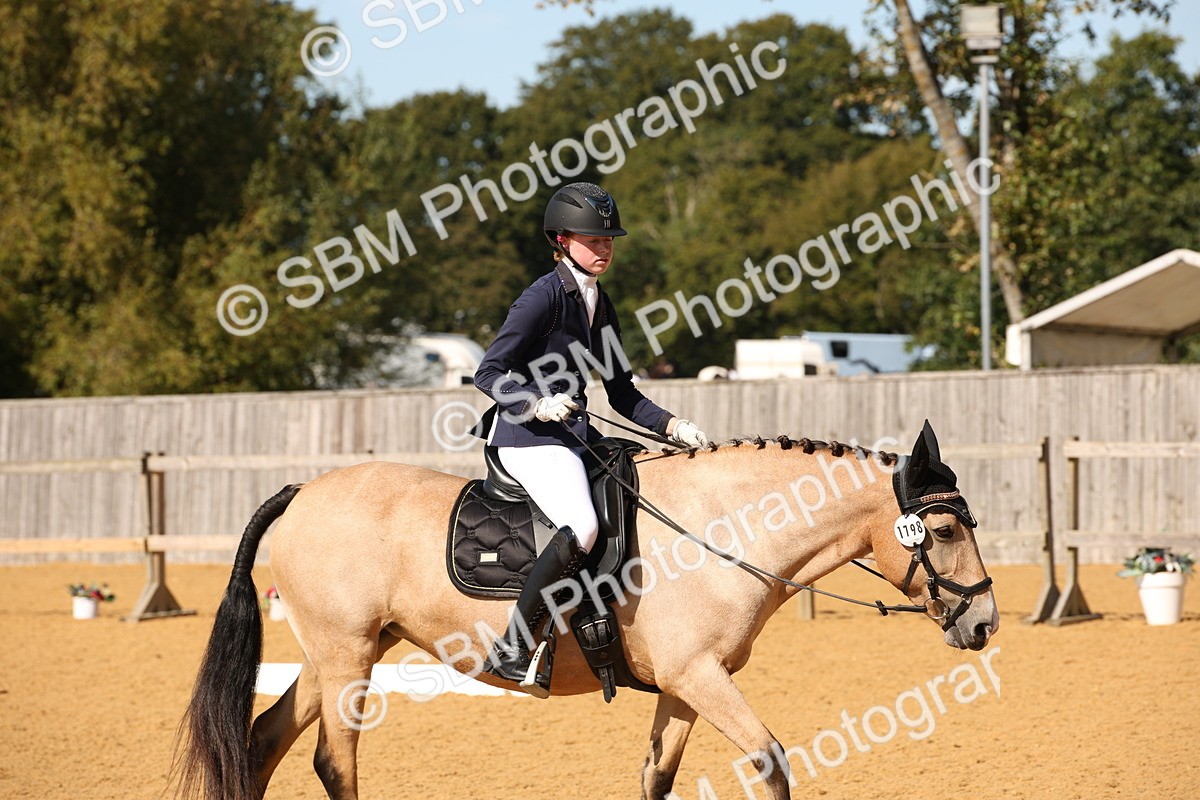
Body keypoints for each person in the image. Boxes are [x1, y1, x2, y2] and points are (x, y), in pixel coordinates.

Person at [473, 181, 709, 696]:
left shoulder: (601, 304)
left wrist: (674, 427)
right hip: (527, 436)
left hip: (573, 435)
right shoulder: (541, 297)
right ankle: (513, 646)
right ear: (562, 240)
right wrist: (535, 403)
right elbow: (487, 372)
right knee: (581, 525)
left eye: (608, 240)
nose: (604, 248)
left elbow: (622, 393)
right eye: (593, 240)